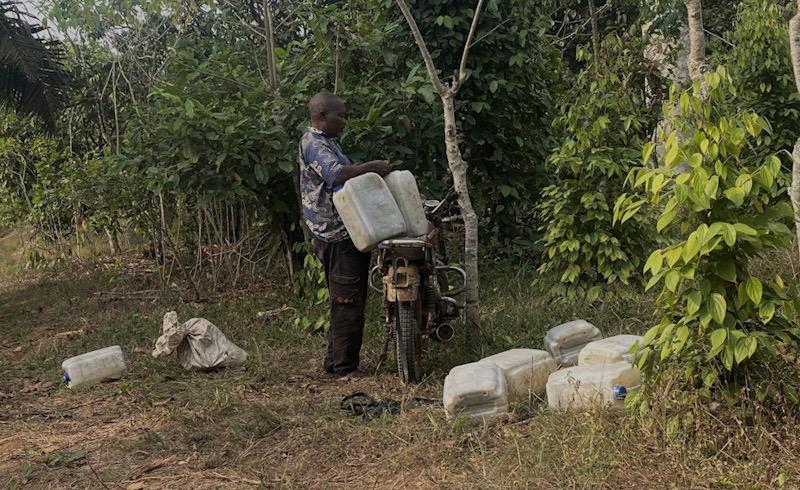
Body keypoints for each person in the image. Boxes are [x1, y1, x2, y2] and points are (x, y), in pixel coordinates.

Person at [298, 92, 391, 380]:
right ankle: (345, 368)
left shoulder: (327, 143)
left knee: (346, 296)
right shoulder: (314, 143)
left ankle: (335, 360)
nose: (344, 121)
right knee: (347, 299)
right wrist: (371, 168)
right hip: (336, 233)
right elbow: (337, 175)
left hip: (346, 230)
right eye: (340, 115)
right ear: (322, 116)